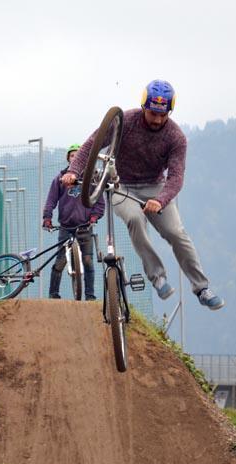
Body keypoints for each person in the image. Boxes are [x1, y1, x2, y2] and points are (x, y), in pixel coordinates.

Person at [62, 79, 225, 310]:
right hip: (122, 185)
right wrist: (73, 171)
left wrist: (160, 200)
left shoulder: (175, 137)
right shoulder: (125, 122)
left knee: (176, 233)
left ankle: (202, 288)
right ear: (143, 107)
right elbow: (91, 145)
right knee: (135, 219)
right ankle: (157, 277)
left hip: (155, 188)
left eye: (163, 115)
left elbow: (176, 177)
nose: (157, 120)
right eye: (152, 113)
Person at [43, 143, 105, 300]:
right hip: (66, 227)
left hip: (85, 227)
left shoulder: (91, 179)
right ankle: (53, 294)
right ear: (68, 159)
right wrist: (47, 217)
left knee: (88, 261)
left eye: (78, 155)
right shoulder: (60, 179)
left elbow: (99, 202)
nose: (75, 158)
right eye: (72, 155)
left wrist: (94, 217)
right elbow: (51, 200)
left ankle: (90, 296)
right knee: (60, 261)